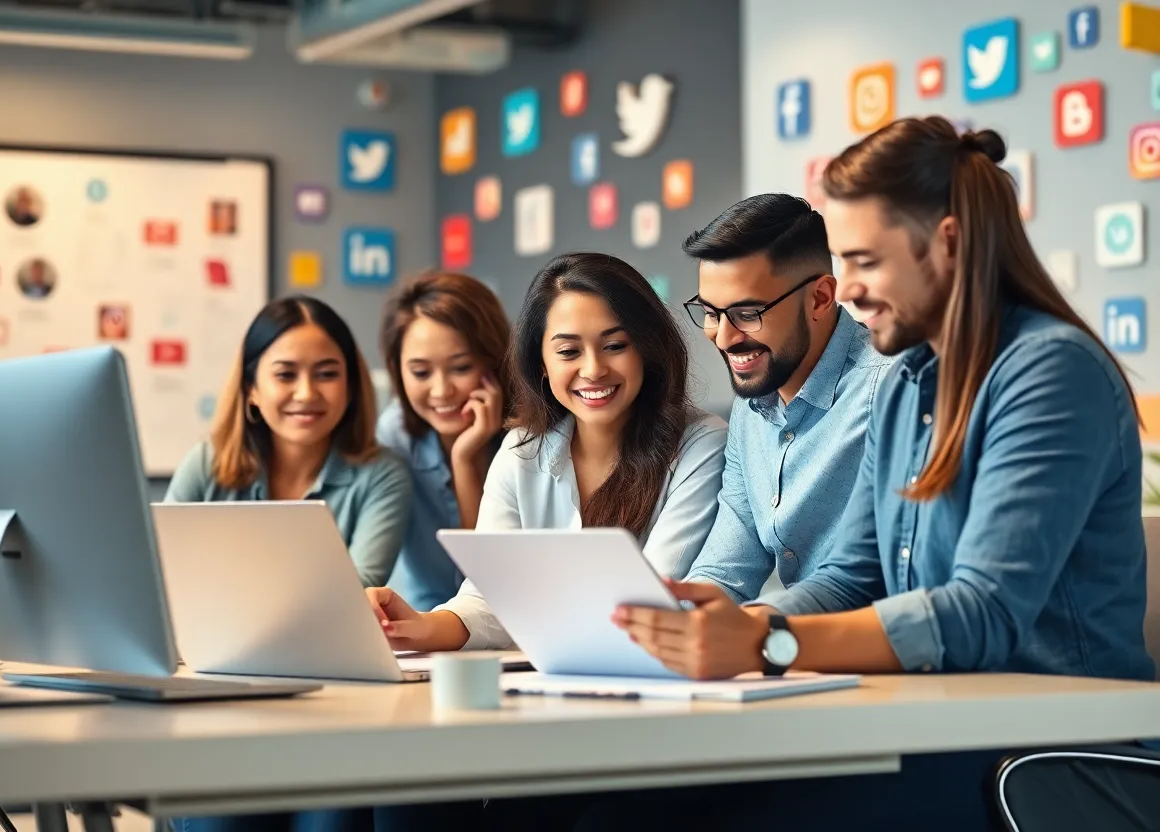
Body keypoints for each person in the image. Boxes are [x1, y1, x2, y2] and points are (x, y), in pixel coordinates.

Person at [574, 117, 1155, 830]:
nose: (844, 290)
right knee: (612, 808)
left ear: (945, 243)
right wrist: (735, 620)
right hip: (942, 727)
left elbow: (984, 612)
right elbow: (855, 574)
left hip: (1047, 758)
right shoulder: (912, 379)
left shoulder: (1046, 371)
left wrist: (763, 644)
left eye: (863, 262)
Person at [366, 252, 727, 656]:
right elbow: (489, 598)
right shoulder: (522, 450)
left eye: (614, 345)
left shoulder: (701, 445)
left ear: (647, 348)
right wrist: (418, 625)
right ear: (541, 363)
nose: (592, 369)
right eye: (569, 352)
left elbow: (656, 598)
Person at [167, 296, 411, 832]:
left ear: (351, 386)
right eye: (285, 374)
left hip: (337, 710)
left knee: (330, 820)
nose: (307, 393)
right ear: (252, 388)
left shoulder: (382, 475)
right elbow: (158, 575)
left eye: (327, 374)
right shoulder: (208, 464)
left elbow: (354, 593)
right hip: (220, 705)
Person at [680, 194, 892, 601]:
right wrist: (671, 625)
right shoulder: (751, 409)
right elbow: (725, 569)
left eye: (747, 313)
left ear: (820, 298)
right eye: (710, 313)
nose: (723, 338)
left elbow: (870, 581)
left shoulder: (890, 388)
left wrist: (760, 627)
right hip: (804, 651)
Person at [376, 271, 511, 611]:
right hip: (423, 626)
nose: (441, 391)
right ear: (398, 371)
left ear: (494, 361)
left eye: (461, 367)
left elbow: (490, 579)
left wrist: (466, 459)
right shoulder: (395, 434)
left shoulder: (530, 436)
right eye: (421, 373)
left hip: (512, 629)